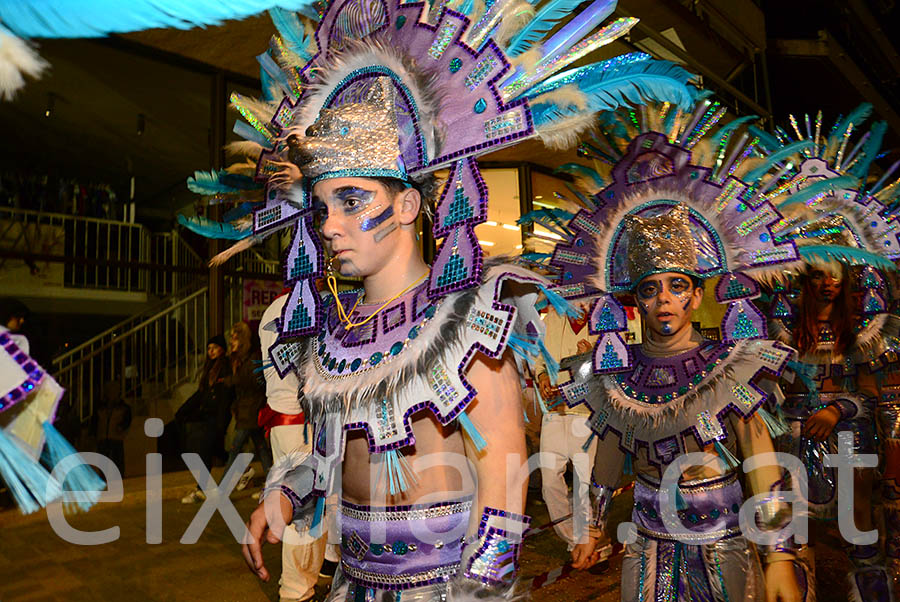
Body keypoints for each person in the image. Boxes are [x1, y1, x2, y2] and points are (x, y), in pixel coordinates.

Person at [177, 2, 695, 598]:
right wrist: (282, 495)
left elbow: (501, 493)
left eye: (352, 199)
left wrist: (476, 592)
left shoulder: (468, 320)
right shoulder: (331, 336)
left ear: (407, 205)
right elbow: (322, 460)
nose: (329, 225)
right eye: (321, 208)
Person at [539, 103, 817, 600]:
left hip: (722, 544)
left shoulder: (733, 365)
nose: (663, 298)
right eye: (650, 289)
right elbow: (605, 458)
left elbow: (760, 458)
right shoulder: (617, 374)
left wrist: (779, 554)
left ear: (695, 294)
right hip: (647, 547)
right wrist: (592, 528)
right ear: (635, 299)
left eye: (677, 285)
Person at [258, 295, 337, 601]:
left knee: (315, 504)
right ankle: (296, 591)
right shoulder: (309, 305)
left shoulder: (274, 308)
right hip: (303, 424)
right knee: (303, 512)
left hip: (284, 423)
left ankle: (317, 573)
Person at [535, 302, 605, 561]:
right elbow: (539, 359)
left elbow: (617, 367)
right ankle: (577, 542)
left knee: (586, 486)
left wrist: (590, 360)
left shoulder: (604, 318)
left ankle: (593, 544)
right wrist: (542, 376)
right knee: (550, 484)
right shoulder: (551, 318)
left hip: (587, 415)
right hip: (554, 412)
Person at [180, 334, 233, 504]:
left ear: (222, 349)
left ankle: (202, 489)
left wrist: (221, 422)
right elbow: (201, 394)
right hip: (207, 416)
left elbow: (225, 397)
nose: (211, 351)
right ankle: (242, 470)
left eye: (214, 348)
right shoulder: (209, 369)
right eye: (209, 348)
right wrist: (183, 410)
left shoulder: (224, 367)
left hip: (216, 417)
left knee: (205, 452)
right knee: (213, 452)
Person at [222, 321, 272, 493]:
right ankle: (271, 482)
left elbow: (255, 383)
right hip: (246, 410)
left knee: (235, 448)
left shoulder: (252, 358)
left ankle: (223, 488)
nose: (232, 342)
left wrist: (232, 380)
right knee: (261, 448)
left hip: (251, 410)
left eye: (235, 338)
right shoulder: (239, 360)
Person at [93, 381, 132, 476]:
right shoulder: (100, 407)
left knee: (117, 462)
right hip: (102, 438)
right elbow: (95, 421)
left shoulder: (123, 407)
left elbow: (127, 420)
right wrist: (93, 434)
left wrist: (121, 427)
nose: (111, 393)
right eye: (109, 391)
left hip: (116, 438)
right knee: (103, 464)